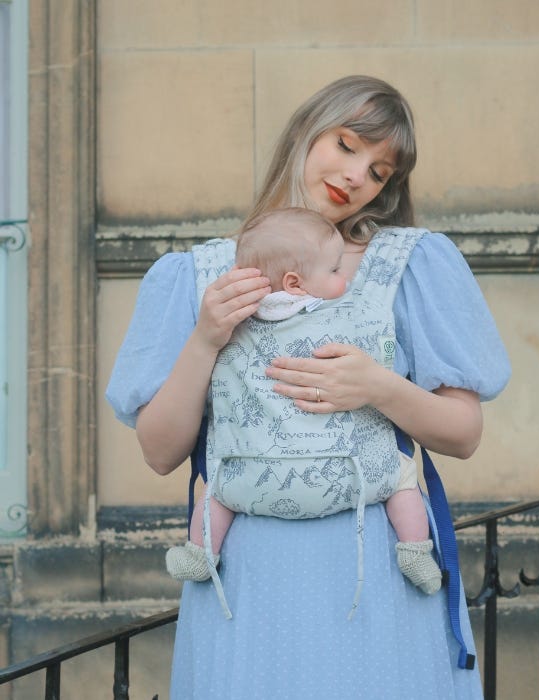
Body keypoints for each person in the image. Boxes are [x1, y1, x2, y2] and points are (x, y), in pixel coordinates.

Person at [106, 75, 509, 698]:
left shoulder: (411, 264)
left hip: (374, 565)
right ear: (304, 131)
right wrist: (206, 338)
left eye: (379, 171)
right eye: (347, 145)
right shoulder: (199, 274)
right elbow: (160, 452)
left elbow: (464, 435)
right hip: (246, 578)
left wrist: (376, 385)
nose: (356, 176)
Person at [164, 207, 442, 599]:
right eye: (332, 271)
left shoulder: (232, 317)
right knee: (401, 479)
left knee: (214, 493)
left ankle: (200, 550)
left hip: (251, 472)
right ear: (295, 283)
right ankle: (414, 548)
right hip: (353, 471)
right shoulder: (346, 315)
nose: (343, 280)